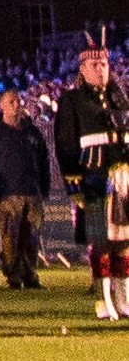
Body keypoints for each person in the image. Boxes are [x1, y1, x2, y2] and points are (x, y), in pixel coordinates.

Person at [52, 33, 129, 321]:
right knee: (102, 242)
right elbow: (66, 145)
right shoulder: (72, 100)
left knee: (124, 241)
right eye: (94, 65)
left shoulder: (119, 99)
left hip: (122, 176)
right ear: (82, 70)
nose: (101, 69)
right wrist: (74, 184)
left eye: (105, 65)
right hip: (94, 178)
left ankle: (123, 300)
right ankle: (103, 299)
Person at [0, 86, 51, 289]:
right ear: (1, 106)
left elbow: (44, 160)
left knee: (31, 236)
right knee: (10, 237)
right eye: (11, 102)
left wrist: (43, 187)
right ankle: (13, 275)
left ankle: (30, 275)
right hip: (6, 193)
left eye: (18, 101)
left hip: (32, 191)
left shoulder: (32, 131)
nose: (16, 105)